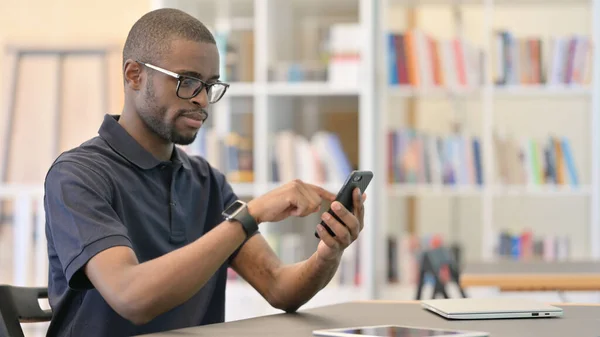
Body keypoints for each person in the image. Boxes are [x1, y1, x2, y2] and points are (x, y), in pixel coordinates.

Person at [43, 8, 366, 337]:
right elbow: (131, 296)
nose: (202, 100)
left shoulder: (207, 181)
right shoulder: (77, 176)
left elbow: (280, 287)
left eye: (210, 86)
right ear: (134, 75)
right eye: (187, 82)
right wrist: (249, 216)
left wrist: (329, 252)